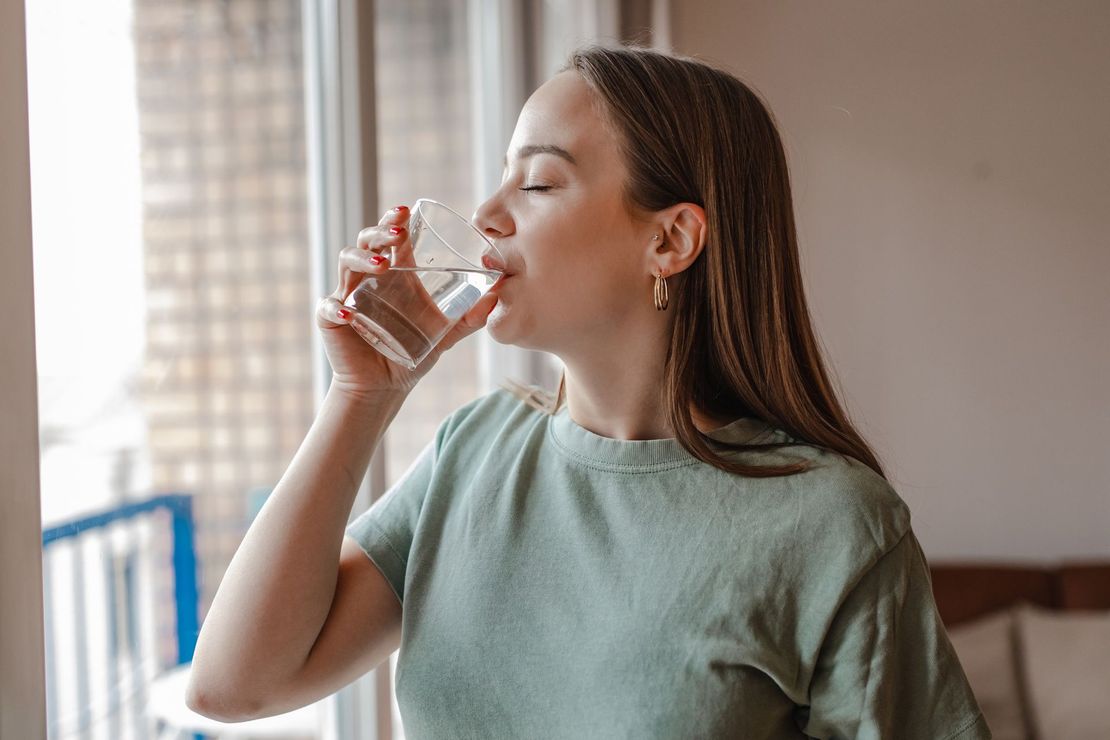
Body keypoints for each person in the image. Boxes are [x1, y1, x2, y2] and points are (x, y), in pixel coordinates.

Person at [186, 44, 991, 739]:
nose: (488, 215)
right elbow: (234, 685)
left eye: (537, 184)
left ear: (669, 239)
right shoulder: (474, 453)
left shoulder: (831, 524)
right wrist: (361, 395)